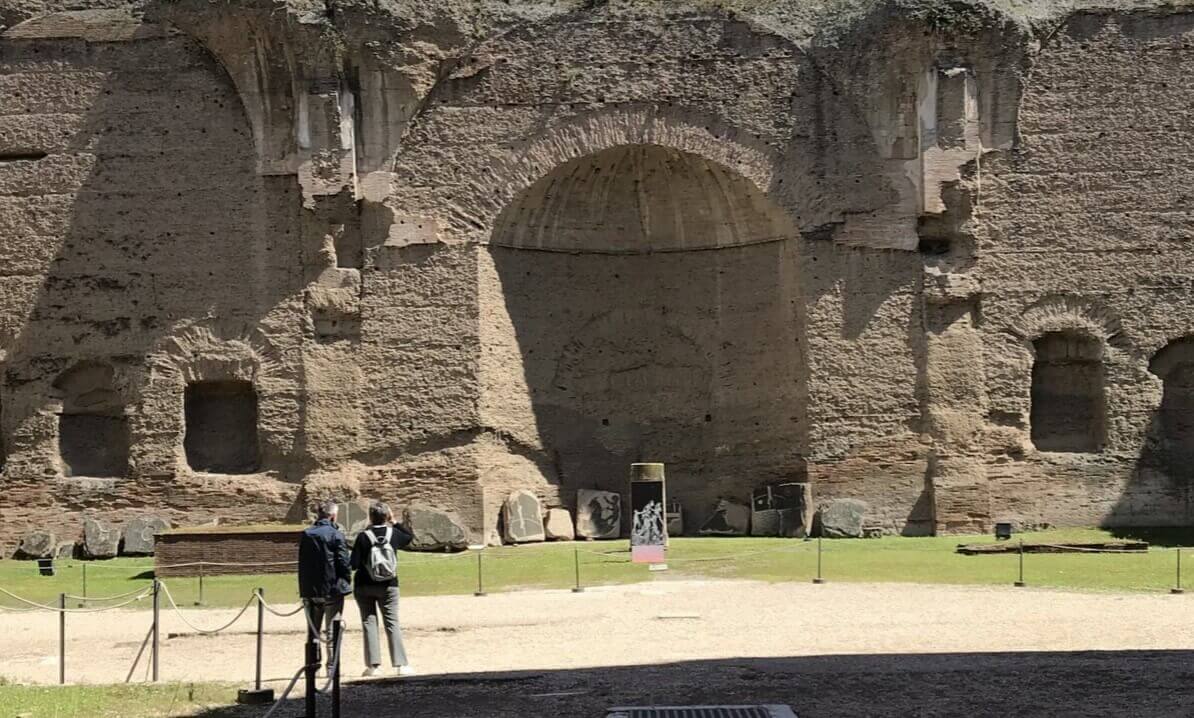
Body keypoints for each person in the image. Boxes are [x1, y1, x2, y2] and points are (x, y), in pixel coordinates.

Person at [350, 501, 415, 677]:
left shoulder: (363, 537)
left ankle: (373, 666)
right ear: (387, 516)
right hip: (389, 585)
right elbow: (409, 537)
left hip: (364, 585)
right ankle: (401, 665)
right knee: (392, 622)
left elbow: (354, 564)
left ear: (370, 517)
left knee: (368, 623)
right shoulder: (393, 533)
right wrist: (394, 521)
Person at [297, 499, 352, 673]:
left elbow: (302, 563)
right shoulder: (336, 534)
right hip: (332, 588)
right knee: (332, 631)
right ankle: (332, 667)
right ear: (333, 516)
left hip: (311, 590)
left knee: (313, 630)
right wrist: (346, 579)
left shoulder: (307, 534)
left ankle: (313, 666)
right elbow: (343, 562)